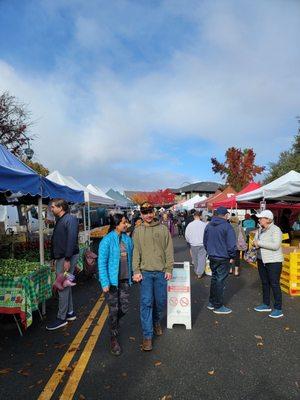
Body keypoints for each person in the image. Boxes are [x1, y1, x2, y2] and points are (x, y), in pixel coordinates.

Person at [133, 202, 174, 351]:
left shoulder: (163, 229)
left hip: (161, 272)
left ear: (154, 212)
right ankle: (147, 336)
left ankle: (156, 321)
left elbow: (169, 249)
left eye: (150, 212)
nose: (148, 215)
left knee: (160, 301)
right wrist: (136, 270)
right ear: (141, 214)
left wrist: (169, 268)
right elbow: (136, 251)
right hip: (145, 273)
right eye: (145, 213)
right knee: (146, 303)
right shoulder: (137, 231)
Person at [98, 214, 133, 355]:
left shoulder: (127, 239)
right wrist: (105, 282)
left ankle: (114, 323)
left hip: (125, 279)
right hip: (112, 282)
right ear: (116, 224)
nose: (126, 225)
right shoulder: (106, 240)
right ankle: (113, 338)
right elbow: (102, 262)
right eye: (124, 223)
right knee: (113, 310)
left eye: (126, 222)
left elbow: (133, 256)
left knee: (123, 308)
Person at [46, 199, 79, 330]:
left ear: (61, 207)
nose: (51, 209)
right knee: (65, 285)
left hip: (67, 257)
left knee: (61, 286)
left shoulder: (69, 219)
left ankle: (61, 318)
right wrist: (54, 257)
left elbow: (71, 239)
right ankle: (70, 313)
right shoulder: (61, 219)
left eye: (53, 207)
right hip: (62, 257)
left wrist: (67, 259)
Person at [203, 206, 236, 315]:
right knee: (220, 281)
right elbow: (231, 245)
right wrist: (232, 256)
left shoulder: (209, 225)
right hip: (223, 257)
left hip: (212, 256)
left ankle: (212, 302)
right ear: (226, 215)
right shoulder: (227, 226)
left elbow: (205, 241)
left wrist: (210, 251)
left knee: (215, 279)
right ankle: (218, 305)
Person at [253, 210, 284, 318]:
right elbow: (255, 241)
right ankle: (266, 304)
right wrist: (255, 243)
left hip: (273, 261)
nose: (259, 219)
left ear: (268, 219)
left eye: (261, 218)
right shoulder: (260, 229)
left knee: (274, 284)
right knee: (265, 283)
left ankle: (278, 308)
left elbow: (276, 245)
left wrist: (259, 243)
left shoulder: (276, 229)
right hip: (261, 260)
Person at [185, 211, 207, 278]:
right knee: (202, 258)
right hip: (202, 243)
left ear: (194, 216)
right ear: (200, 216)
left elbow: (187, 235)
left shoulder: (190, 225)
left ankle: (197, 270)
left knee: (195, 258)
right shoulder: (204, 224)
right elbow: (207, 234)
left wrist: (189, 241)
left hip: (193, 244)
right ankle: (199, 272)